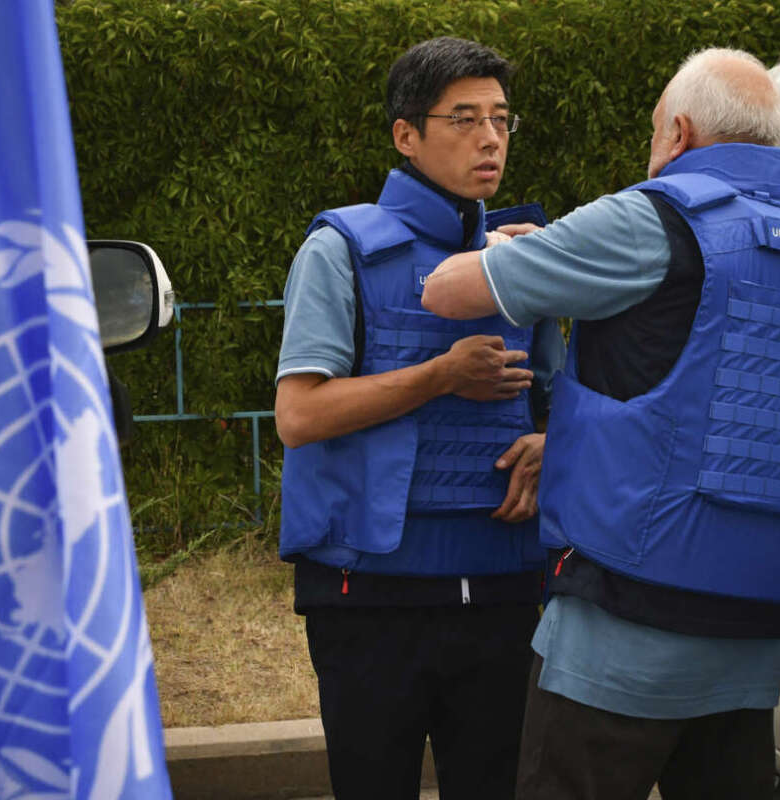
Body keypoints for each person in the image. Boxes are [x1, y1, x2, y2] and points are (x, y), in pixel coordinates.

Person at [422, 48, 780, 800]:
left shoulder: (653, 216)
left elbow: (449, 291)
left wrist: (509, 248)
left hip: (625, 619)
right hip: (756, 629)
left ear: (679, 132)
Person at [274, 37, 563, 800]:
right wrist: (439, 376)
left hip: (505, 584)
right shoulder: (337, 251)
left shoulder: (526, 258)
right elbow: (298, 416)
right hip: (369, 594)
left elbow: (570, 407)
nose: (489, 137)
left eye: (501, 119)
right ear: (406, 134)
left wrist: (548, 443)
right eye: (463, 118)